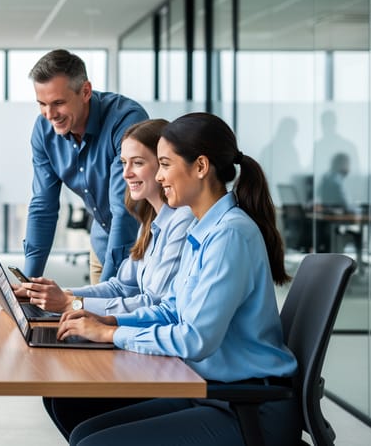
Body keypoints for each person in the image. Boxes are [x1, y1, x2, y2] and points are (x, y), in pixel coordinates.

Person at [57, 112, 300, 446]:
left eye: (166, 164)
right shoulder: (203, 231)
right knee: (85, 431)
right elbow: (172, 309)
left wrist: (113, 333)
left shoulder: (230, 235)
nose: (159, 175)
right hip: (212, 391)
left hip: (249, 408)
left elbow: (195, 339)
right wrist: (108, 319)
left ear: (200, 166)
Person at [18, 118, 195, 439]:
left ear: (164, 167)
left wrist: (74, 304)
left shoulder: (183, 223)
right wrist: (62, 296)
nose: (126, 173)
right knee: (60, 398)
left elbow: (155, 303)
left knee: (69, 400)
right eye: (123, 163)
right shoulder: (152, 223)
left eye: (137, 163)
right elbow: (122, 285)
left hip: (174, 363)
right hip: (152, 345)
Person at [24, 49, 148, 285]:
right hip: (102, 245)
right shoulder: (44, 130)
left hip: (141, 248)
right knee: (89, 318)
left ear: (85, 92)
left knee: (120, 317)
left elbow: (125, 207)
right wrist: (28, 282)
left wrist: (107, 291)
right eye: (42, 104)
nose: (50, 115)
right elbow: (43, 206)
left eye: (58, 103)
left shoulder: (125, 120)